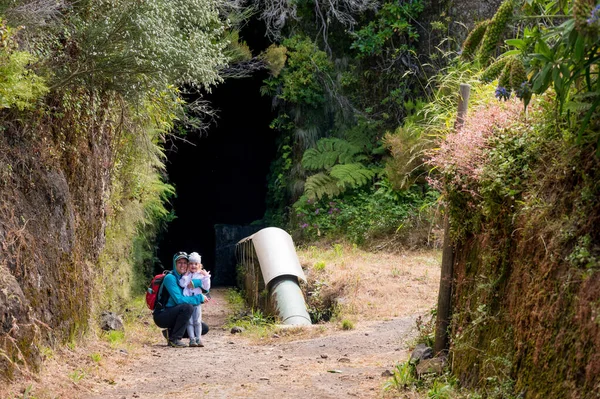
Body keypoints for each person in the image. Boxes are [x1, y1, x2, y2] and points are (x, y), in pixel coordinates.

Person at [152, 252, 207, 348]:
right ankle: (174, 339)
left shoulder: (184, 278)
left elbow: (204, 289)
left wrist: (200, 281)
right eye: (179, 262)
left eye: (185, 263)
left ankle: (171, 332)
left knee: (204, 328)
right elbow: (179, 300)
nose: (183, 265)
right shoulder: (170, 278)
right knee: (187, 307)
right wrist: (199, 298)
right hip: (162, 314)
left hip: (175, 312)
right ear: (175, 264)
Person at [179, 252, 211, 347]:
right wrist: (186, 276)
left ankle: (199, 338)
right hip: (188, 301)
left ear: (199, 265)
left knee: (197, 320)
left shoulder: (201, 275)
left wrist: (206, 276)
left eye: (195, 264)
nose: (193, 266)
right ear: (189, 265)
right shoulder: (187, 275)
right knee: (189, 321)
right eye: (191, 264)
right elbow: (182, 284)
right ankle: (192, 339)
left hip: (197, 302)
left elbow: (206, 286)